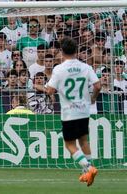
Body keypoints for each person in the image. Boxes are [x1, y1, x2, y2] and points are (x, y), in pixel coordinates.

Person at [46, 37, 101, 187]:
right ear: (76, 50)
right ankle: (86, 173)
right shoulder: (86, 67)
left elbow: (50, 90)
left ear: (61, 52)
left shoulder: (59, 69)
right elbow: (98, 85)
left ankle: (89, 168)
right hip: (84, 111)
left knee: (69, 144)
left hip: (69, 112)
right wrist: (93, 98)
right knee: (83, 141)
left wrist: (50, 87)